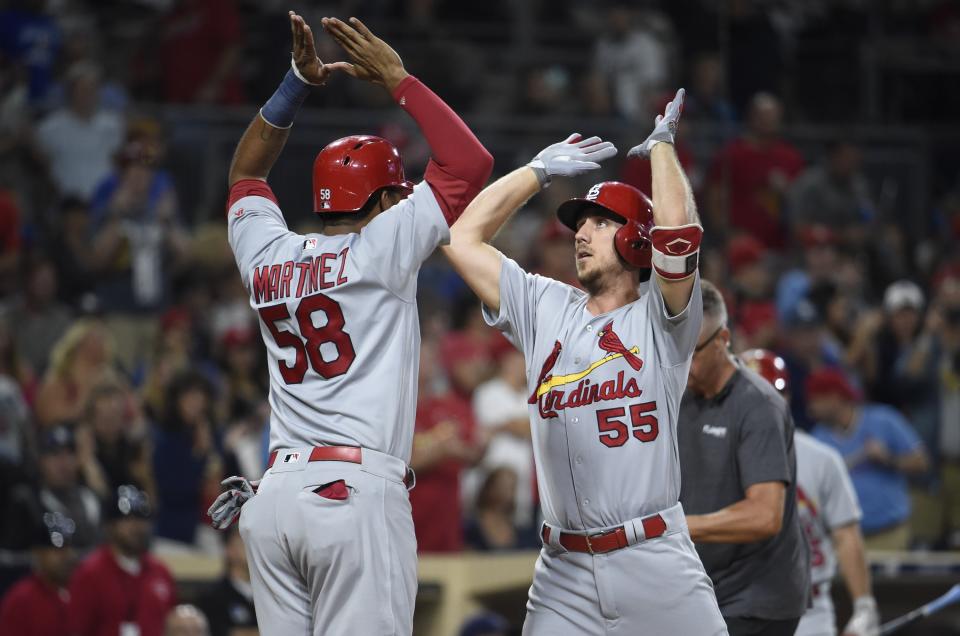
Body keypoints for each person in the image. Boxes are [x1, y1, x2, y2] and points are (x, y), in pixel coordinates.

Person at [207, 12, 492, 635]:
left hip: (274, 498)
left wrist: (294, 84)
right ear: (387, 201)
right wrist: (399, 79)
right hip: (352, 496)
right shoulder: (384, 247)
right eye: (400, 192)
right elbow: (470, 164)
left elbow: (246, 175)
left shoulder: (268, 254)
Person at [443, 89, 727, 633]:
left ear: (636, 240)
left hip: (654, 559)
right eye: (579, 223)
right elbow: (460, 238)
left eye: (599, 222)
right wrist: (535, 171)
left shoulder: (662, 319)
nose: (580, 233)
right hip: (562, 572)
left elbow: (678, 238)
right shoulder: (546, 307)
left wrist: (662, 149)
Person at [678, 281, 809, 636]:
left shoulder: (758, 406)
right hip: (702, 589)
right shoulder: (678, 394)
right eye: (677, 348)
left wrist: (676, 528)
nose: (683, 361)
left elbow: (764, 516)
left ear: (723, 340)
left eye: (695, 351)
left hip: (758, 598)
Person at [741, 349, 879, 636]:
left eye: (771, 392)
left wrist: (864, 606)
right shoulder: (711, 456)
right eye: (751, 392)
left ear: (788, 396)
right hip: (737, 604)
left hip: (809, 609)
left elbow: (846, 535)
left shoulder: (821, 459)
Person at [806, 367, 929, 550]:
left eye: (815, 399)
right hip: (842, 537)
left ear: (834, 397)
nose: (811, 407)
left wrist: (888, 459)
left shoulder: (884, 419)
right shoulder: (818, 437)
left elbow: (921, 462)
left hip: (888, 533)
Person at [68, 485, 177, 636]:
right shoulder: (89, 574)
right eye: (127, 520)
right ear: (110, 526)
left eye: (141, 519)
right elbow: (76, 630)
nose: (136, 527)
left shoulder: (161, 573)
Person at [0, 511, 75, 636]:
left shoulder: (81, 589)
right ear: (38, 554)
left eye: (68, 549)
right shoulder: (21, 600)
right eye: (57, 551)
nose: (66, 556)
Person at [197, 527, 256, 636]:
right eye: (245, 543)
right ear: (229, 550)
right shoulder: (213, 595)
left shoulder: (269, 591)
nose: (253, 549)